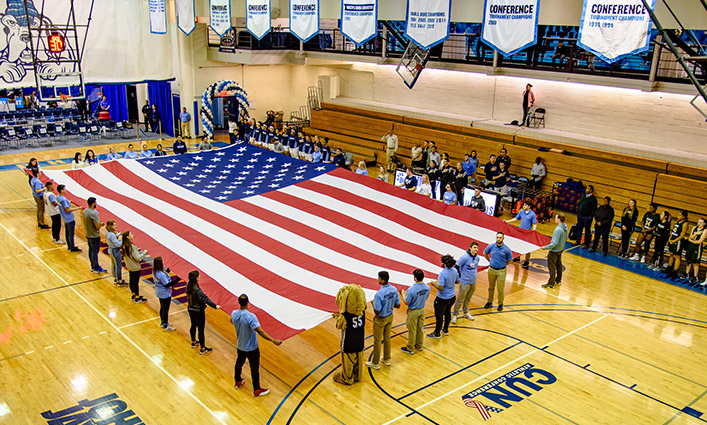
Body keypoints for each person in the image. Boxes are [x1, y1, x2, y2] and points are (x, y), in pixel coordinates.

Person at [231, 294, 283, 397]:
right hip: (251, 348)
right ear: (248, 303)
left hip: (240, 345)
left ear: (239, 303)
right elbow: (260, 331)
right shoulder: (250, 317)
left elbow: (232, 321)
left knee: (239, 363)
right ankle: (256, 389)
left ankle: (237, 380)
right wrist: (273, 340)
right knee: (254, 368)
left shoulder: (234, 313)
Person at [366, 271, 400, 369]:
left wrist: (373, 304)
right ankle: (386, 359)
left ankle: (375, 363)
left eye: (379, 278)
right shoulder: (394, 290)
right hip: (390, 316)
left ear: (382, 279)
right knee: (387, 338)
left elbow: (377, 311)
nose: (377, 279)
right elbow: (398, 305)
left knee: (377, 341)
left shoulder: (379, 294)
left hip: (380, 319)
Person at [186, 270, 222, 353]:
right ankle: (202, 348)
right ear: (196, 278)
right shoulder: (197, 290)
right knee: (201, 330)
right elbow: (205, 299)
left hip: (190, 309)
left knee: (193, 325)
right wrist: (215, 306)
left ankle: (193, 341)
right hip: (198, 311)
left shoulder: (189, 286)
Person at [426, 254, 459, 338]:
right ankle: (445, 329)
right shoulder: (455, 271)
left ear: (444, 264)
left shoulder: (442, 274)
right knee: (447, 312)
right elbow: (457, 282)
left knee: (439, 315)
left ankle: (437, 333)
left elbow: (441, 288)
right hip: (452, 296)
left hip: (442, 298)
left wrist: (434, 284)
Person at [400, 269, 430, 354]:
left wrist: (403, 294)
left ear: (415, 278)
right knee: (420, 328)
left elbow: (406, 302)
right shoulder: (427, 287)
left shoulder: (411, 289)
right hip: (422, 309)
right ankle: (419, 345)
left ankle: (410, 348)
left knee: (412, 330)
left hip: (413, 311)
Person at [483, 232, 514, 311]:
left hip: (501, 271)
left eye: (500, 237)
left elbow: (510, 260)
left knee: (500, 288)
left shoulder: (506, 249)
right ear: (495, 238)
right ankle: (489, 302)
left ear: (503, 238)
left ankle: (500, 303)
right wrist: (489, 260)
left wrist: (503, 264)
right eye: (497, 237)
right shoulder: (492, 246)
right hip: (492, 270)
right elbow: (485, 253)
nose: (499, 239)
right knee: (491, 287)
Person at [453, 241, 480, 323]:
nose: (476, 249)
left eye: (477, 248)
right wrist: (459, 276)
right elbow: (457, 266)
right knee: (460, 298)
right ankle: (455, 314)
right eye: (474, 247)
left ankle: (466, 312)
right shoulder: (465, 257)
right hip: (465, 281)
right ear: (470, 248)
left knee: (468, 298)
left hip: (473, 281)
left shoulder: (478, 258)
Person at [505, 201, 538, 268]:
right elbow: (516, 219)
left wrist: (534, 230)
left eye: (525, 205)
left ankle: (527, 260)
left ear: (529, 206)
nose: (524, 206)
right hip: (520, 232)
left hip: (527, 233)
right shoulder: (522, 212)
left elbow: (534, 223)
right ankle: (517, 257)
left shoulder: (532, 214)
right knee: (518, 244)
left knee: (527, 247)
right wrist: (507, 221)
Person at [542, 212, 568, 289]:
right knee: (559, 265)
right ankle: (558, 280)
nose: (555, 219)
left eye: (556, 218)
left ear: (559, 219)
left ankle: (551, 283)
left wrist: (545, 247)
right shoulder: (565, 227)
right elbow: (566, 238)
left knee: (552, 267)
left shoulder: (558, 229)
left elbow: (554, 243)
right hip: (561, 249)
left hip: (554, 250)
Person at [121, 231, 148, 303]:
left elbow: (131, 253)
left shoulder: (124, 245)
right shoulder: (131, 246)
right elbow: (138, 258)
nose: (132, 235)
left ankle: (133, 294)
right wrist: (144, 253)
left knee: (132, 280)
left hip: (129, 266)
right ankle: (137, 297)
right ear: (128, 237)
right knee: (135, 282)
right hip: (135, 267)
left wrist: (137, 250)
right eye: (131, 234)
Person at [83, 197, 106, 274]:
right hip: (94, 235)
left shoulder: (85, 211)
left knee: (91, 250)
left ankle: (93, 266)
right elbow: (97, 226)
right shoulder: (93, 213)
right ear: (93, 203)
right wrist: (100, 223)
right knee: (95, 252)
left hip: (88, 233)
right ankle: (96, 267)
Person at [153, 257, 177, 331]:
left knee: (162, 307)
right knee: (165, 309)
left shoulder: (155, 271)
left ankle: (163, 322)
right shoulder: (161, 274)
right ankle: (165, 326)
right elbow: (167, 284)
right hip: (165, 293)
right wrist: (177, 280)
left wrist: (168, 271)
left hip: (160, 292)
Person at [663, 210, 688, 279]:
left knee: (677, 256)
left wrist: (674, 241)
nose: (678, 216)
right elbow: (673, 231)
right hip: (672, 240)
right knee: (671, 254)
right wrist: (670, 238)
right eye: (678, 215)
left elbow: (682, 235)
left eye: (680, 215)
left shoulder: (685, 224)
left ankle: (675, 271)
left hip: (678, 241)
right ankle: (669, 267)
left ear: (684, 217)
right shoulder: (678, 221)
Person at [56, 185, 81, 252]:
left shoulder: (58, 197)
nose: (65, 190)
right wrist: (78, 208)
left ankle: (69, 246)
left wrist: (68, 203)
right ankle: (72, 247)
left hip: (64, 218)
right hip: (69, 218)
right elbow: (67, 210)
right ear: (61, 190)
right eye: (64, 189)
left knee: (67, 233)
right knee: (70, 233)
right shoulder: (63, 200)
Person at [684, 218, 706, 285]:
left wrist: (692, 241)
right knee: (688, 260)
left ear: (704, 223)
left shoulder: (705, 231)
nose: (699, 224)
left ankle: (695, 277)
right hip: (691, 246)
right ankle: (686, 274)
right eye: (698, 222)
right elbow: (690, 237)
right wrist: (696, 233)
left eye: (701, 222)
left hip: (697, 248)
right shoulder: (694, 228)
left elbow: (700, 241)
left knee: (695, 262)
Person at [105, 221, 126, 285]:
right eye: (114, 225)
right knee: (118, 265)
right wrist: (123, 240)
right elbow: (117, 244)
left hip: (111, 249)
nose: (116, 226)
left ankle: (115, 277)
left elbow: (112, 238)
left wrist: (118, 235)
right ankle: (119, 280)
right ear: (111, 226)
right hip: (115, 251)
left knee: (113, 264)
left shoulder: (107, 232)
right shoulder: (111, 234)